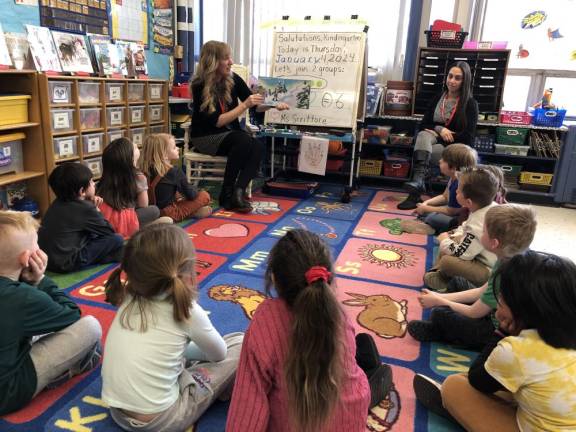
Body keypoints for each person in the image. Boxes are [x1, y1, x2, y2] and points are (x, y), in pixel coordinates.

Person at [227, 229, 392, 432]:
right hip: (349, 413)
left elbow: (247, 405)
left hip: (296, 418)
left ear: (274, 279)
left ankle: (373, 371)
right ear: (328, 277)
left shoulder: (266, 319)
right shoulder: (337, 313)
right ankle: (374, 373)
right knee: (356, 367)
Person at [413, 251, 576, 431]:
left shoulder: (517, 350)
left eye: (502, 298)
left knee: (454, 386)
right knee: (514, 385)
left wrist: (502, 331)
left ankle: (458, 410)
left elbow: (477, 380)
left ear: (520, 311)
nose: (497, 304)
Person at [102, 224, 244, 431]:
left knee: (174, 350)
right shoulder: (187, 309)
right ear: (187, 272)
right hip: (162, 420)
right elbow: (219, 355)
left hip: (117, 410)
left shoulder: (129, 295)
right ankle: (218, 390)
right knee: (239, 343)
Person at [0, 210, 102, 415]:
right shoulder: (20, 297)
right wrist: (40, 280)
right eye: (37, 245)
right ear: (27, 258)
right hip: (7, 393)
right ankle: (65, 371)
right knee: (91, 327)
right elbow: (72, 314)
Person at [408, 204, 537, 350]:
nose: (481, 234)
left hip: (493, 329)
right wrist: (438, 297)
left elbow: (474, 312)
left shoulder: (506, 273)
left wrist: (440, 302)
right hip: (490, 310)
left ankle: (441, 331)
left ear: (494, 243)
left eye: (484, 232)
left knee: (440, 313)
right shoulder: (509, 256)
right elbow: (481, 291)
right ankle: (444, 321)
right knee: (458, 282)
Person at [189, 40, 289, 213]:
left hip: (231, 136)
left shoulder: (233, 78)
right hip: (206, 137)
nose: (231, 62)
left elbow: (256, 104)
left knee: (257, 146)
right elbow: (217, 122)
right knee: (242, 140)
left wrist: (273, 104)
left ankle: (237, 192)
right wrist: (244, 106)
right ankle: (226, 193)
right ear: (213, 61)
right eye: (226, 58)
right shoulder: (199, 85)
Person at [398, 61, 478, 210]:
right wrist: (440, 129)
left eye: (457, 78)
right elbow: (423, 124)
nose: (452, 81)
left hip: (457, 150)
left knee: (421, 152)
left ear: (464, 81)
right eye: (450, 76)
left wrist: (442, 135)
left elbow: (468, 137)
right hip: (434, 140)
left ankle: (416, 189)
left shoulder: (470, 104)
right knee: (422, 134)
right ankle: (418, 183)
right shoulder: (438, 98)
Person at [38, 162, 124, 273]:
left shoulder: (57, 202)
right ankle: (106, 257)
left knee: (94, 234)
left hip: (47, 260)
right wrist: (96, 209)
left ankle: (110, 256)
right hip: (65, 263)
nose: (94, 184)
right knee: (117, 239)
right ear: (82, 191)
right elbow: (109, 231)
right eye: (91, 182)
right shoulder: (86, 208)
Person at [424, 167, 499, 292]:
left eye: (458, 190)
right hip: (480, 256)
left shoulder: (478, 222)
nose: (456, 191)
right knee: (450, 241)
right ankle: (440, 275)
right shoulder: (488, 207)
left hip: (489, 271)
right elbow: (465, 226)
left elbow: (462, 254)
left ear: (468, 202)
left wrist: (445, 241)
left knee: (447, 259)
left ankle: (442, 277)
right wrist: (453, 234)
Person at [97, 137, 171, 238]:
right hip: (126, 219)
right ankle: (138, 231)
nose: (137, 146)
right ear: (130, 158)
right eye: (135, 147)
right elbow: (143, 205)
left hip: (106, 220)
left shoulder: (106, 178)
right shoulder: (138, 177)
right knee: (154, 210)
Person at [401, 143, 477, 235]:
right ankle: (430, 224)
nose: (440, 161)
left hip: (460, 218)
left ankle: (440, 229)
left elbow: (452, 211)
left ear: (453, 167)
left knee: (431, 217)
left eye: (443, 160)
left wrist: (426, 208)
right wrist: (426, 204)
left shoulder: (458, 183)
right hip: (452, 211)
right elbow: (444, 196)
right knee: (425, 211)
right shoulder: (453, 177)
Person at [140, 133, 212, 222]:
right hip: (168, 212)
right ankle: (191, 213)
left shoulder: (143, 169)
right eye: (174, 147)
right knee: (204, 195)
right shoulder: (174, 171)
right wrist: (196, 191)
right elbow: (192, 195)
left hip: (149, 211)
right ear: (164, 155)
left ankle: (192, 212)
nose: (178, 148)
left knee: (176, 193)